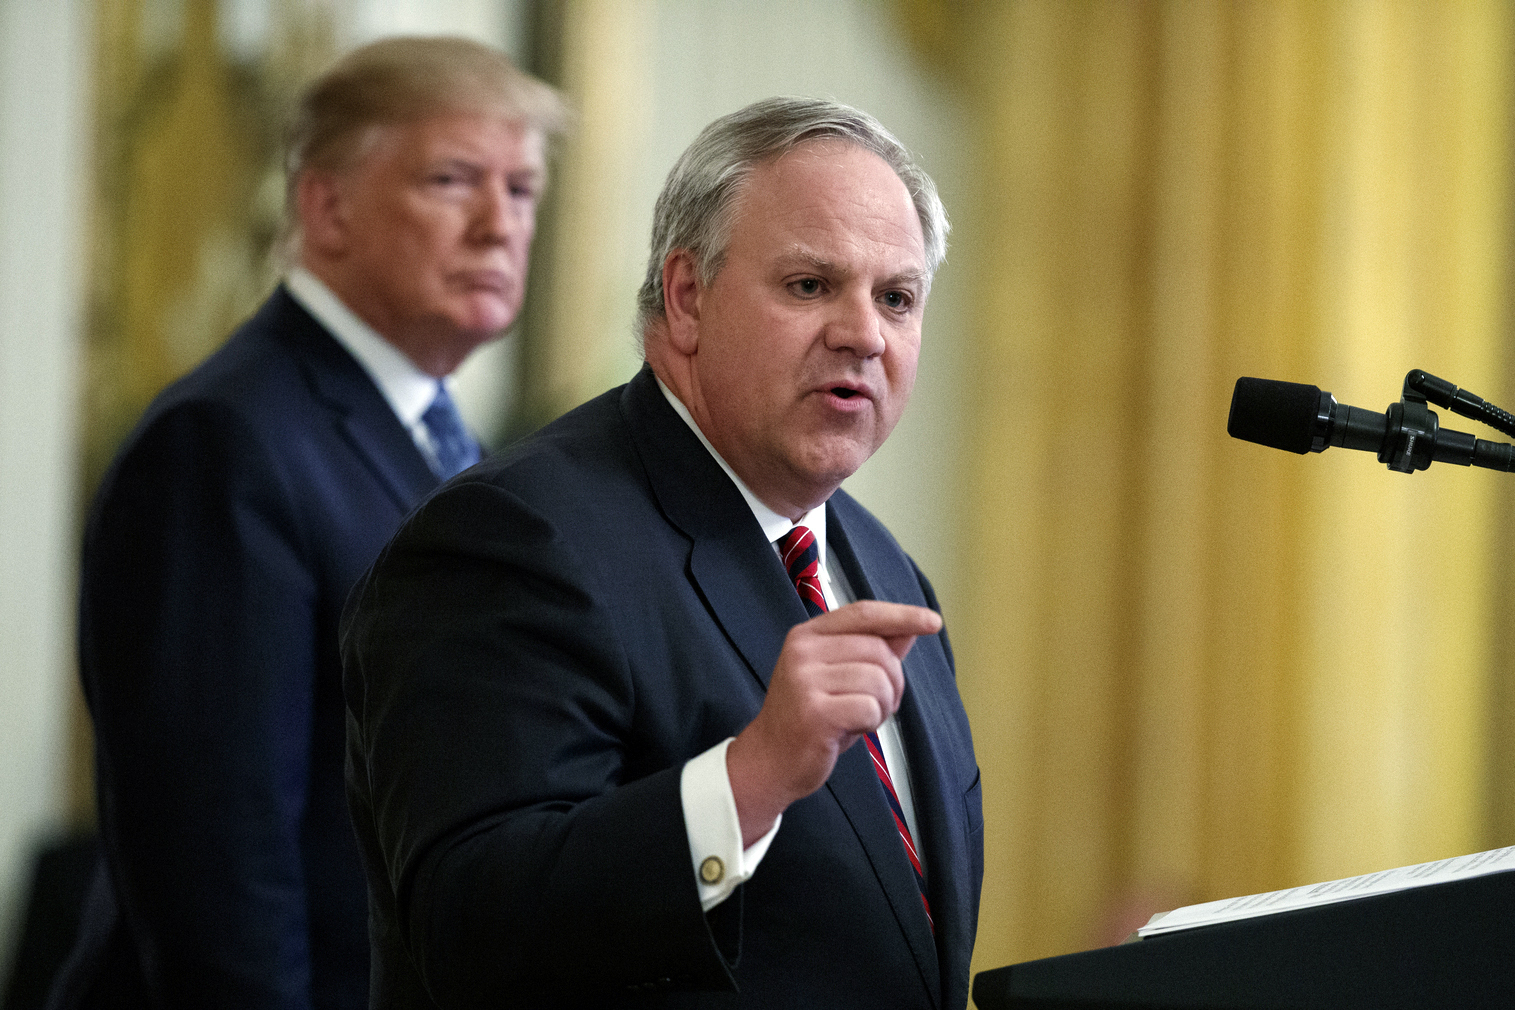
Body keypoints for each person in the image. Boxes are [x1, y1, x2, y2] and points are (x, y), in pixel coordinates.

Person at [342, 97, 983, 1009]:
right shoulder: (512, 537)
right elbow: (469, 929)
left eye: (896, 298)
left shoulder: (881, 567)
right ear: (686, 297)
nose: (863, 334)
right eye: (810, 285)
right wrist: (748, 779)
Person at [50, 37, 567, 1010]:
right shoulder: (224, 442)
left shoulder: (452, 441)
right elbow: (216, 854)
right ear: (327, 207)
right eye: (452, 180)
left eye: (522, 189)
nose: (499, 225)